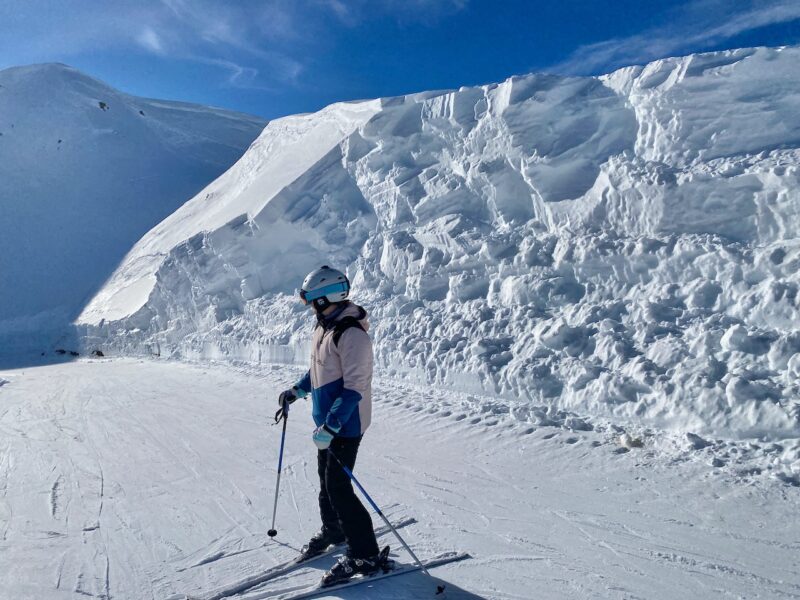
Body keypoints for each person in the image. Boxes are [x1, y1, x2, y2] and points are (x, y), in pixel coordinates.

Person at [277, 265, 383, 586]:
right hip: (327, 423)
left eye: (311, 300)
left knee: (339, 487)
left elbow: (354, 387)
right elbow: (318, 370)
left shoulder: (351, 334)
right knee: (326, 482)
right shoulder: (325, 328)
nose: (310, 306)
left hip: (345, 426)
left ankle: (365, 552)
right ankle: (335, 528)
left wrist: (332, 427)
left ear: (325, 298)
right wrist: (296, 391)